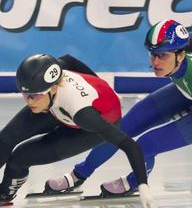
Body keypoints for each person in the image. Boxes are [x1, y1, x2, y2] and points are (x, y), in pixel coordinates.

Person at [0, 53, 160, 208]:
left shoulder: (84, 114)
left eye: (34, 96)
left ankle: (3, 194)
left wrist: (143, 185)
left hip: (89, 125)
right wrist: (97, 82)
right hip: (56, 106)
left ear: (54, 88)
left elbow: (128, 144)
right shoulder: (51, 73)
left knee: (20, 157)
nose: (29, 102)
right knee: (4, 139)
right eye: (25, 95)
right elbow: (69, 59)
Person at [45, 19, 192, 197]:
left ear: (181, 55)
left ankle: (134, 182)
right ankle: (79, 175)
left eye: (163, 56)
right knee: (120, 128)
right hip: (185, 89)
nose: (155, 62)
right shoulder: (183, 45)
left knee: (145, 144)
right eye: (152, 54)